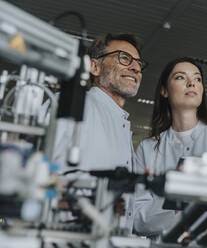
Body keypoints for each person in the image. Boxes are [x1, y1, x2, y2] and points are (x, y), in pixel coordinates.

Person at [133, 57, 207, 237]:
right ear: (164, 91)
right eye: (181, 77)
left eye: (197, 79)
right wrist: (179, 208)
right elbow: (136, 219)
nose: (192, 83)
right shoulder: (147, 148)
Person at [51, 33, 147, 233]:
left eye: (138, 63)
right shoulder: (71, 104)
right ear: (94, 67)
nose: (136, 67)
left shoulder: (120, 122)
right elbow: (42, 176)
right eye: (124, 58)